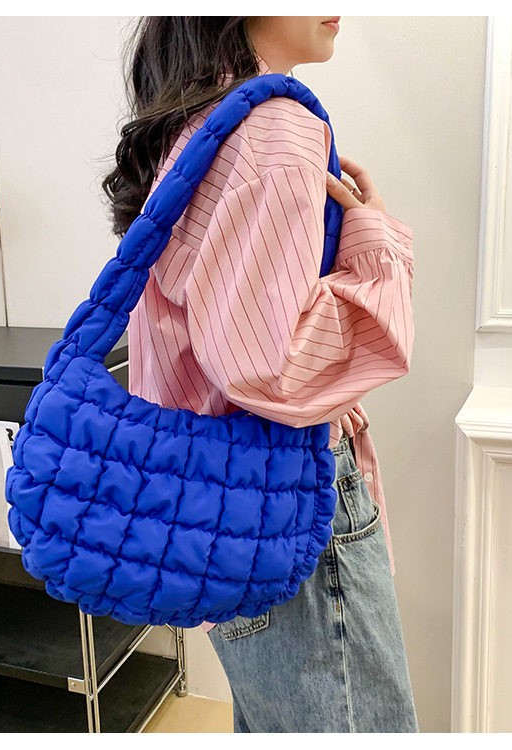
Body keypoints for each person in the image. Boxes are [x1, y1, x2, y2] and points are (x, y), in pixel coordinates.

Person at [102, 16, 418, 733]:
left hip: (215, 508)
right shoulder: (276, 128)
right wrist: (377, 247)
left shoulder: (197, 121)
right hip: (287, 503)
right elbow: (273, 368)